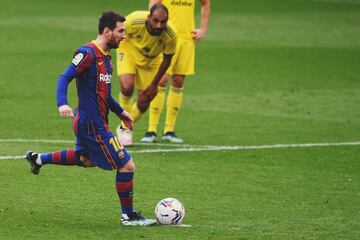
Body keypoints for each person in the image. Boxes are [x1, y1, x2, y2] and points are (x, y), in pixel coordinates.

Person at [25, 11, 157, 227]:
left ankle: (38, 159)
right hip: (91, 124)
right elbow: (65, 77)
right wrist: (62, 103)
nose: (125, 36)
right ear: (107, 31)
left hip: (95, 121)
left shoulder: (106, 56)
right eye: (121, 31)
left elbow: (103, 92)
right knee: (127, 165)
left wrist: (120, 111)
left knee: (86, 160)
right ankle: (128, 216)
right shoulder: (87, 53)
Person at [141, 0, 211, 144]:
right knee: (161, 80)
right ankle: (151, 130)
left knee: (178, 82)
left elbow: (205, 4)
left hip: (186, 39)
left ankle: (169, 130)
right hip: (166, 36)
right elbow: (152, 8)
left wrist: (203, 29)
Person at [115, 3, 177, 146]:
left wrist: (154, 84)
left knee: (145, 99)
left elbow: (167, 60)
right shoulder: (133, 20)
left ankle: (124, 127)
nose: (159, 25)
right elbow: (115, 34)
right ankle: (126, 129)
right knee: (127, 87)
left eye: (163, 22)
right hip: (129, 52)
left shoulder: (171, 34)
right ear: (149, 17)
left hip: (152, 61)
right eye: (155, 20)